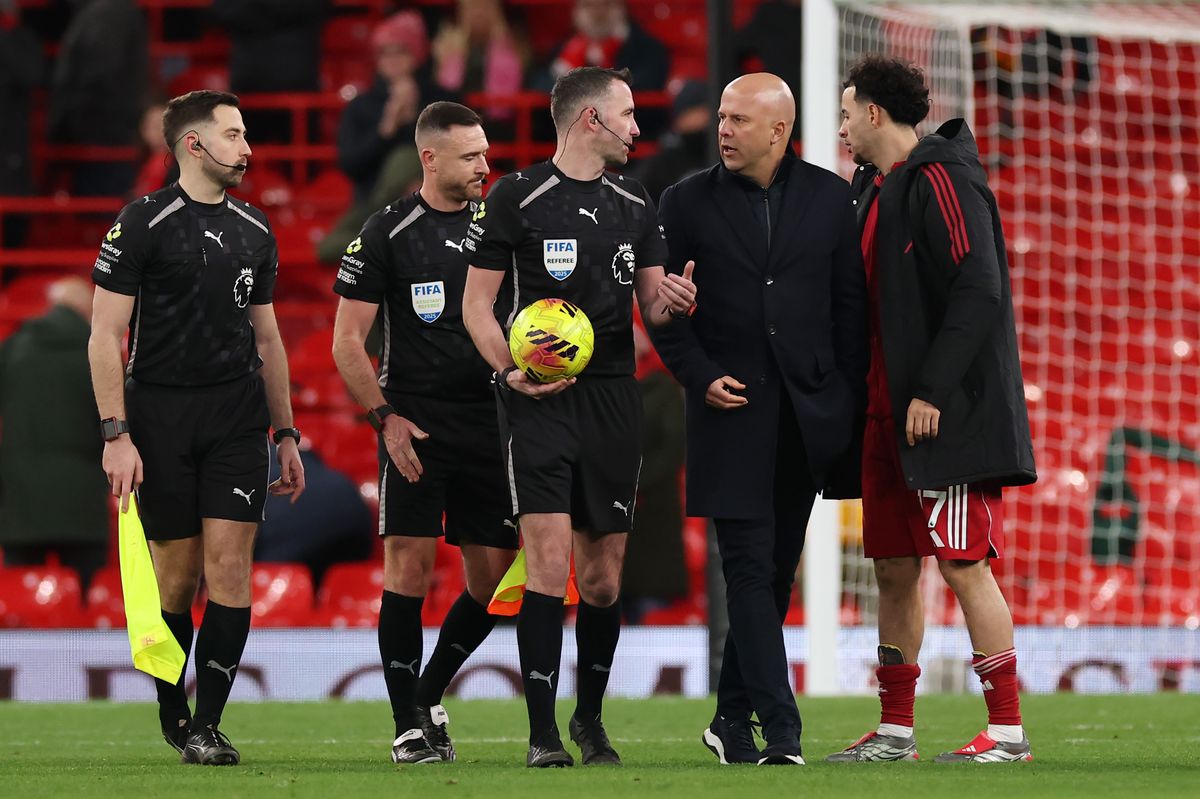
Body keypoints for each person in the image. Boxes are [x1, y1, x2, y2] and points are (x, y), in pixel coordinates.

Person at [461, 66, 696, 767]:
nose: (637, 127)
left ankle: (590, 721)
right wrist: (508, 370)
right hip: (538, 397)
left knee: (603, 575)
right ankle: (542, 735)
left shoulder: (635, 198)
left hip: (613, 397)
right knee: (548, 562)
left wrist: (675, 298)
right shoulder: (516, 197)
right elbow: (477, 305)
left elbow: (651, 305)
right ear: (589, 120)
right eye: (627, 115)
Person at [647, 72, 867, 766]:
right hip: (728, 410)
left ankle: (728, 718)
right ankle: (784, 729)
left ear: (779, 130)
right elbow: (662, 312)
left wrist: (845, 398)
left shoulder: (833, 198)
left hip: (805, 416)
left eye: (740, 120)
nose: (723, 130)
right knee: (746, 566)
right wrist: (698, 372)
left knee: (775, 572)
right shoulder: (682, 200)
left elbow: (849, 311)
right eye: (721, 117)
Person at [826, 55, 1036, 764]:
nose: (844, 126)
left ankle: (1006, 731)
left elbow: (979, 288)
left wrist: (932, 390)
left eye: (848, 111)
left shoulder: (944, 176)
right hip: (883, 415)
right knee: (890, 565)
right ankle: (894, 731)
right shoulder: (872, 189)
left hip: (939, 417)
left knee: (964, 563)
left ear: (875, 114)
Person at [88, 89, 306, 766]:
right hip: (159, 416)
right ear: (193, 145)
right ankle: (171, 707)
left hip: (236, 416)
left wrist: (287, 431)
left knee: (230, 567)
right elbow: (103, 335)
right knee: (176, 580)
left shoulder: (255, 229)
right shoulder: (142, 223)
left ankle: (208, 725)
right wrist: (116, 433)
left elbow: (266, 335)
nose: (247, 148)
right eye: (235, 134)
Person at [332, 101, 520, 765]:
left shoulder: (501, 225)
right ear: (430, 158)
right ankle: (407, 722)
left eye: (486, 153)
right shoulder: (386, 231)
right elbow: (346, 340)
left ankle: (429, 686)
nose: (484, 166)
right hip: (415, 420)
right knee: (407, 565)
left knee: (498, 581)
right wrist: (384, 417)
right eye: (471, 156)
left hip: (491, 419)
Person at [0, 277, 109, 589]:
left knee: (20, 598)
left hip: (21, 499)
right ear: (86, 310)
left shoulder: (13, 348)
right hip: (82, 499)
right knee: (87, 605)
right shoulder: (96, 354)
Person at [47, 0, 148, 196]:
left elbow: (101, 73)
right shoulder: (100, 11)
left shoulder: (110, 12)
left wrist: (72, 120)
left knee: (105, 211)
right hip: (101, 130)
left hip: (105, 132)